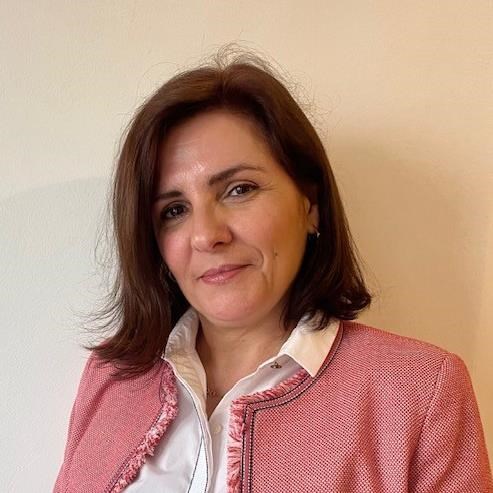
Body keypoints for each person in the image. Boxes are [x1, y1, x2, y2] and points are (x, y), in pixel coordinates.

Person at [54, 50, 492, 493]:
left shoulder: (419, 393)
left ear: (310, 205)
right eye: (174, 210)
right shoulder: (111, 378)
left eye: (239, 190)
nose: (206, 235)